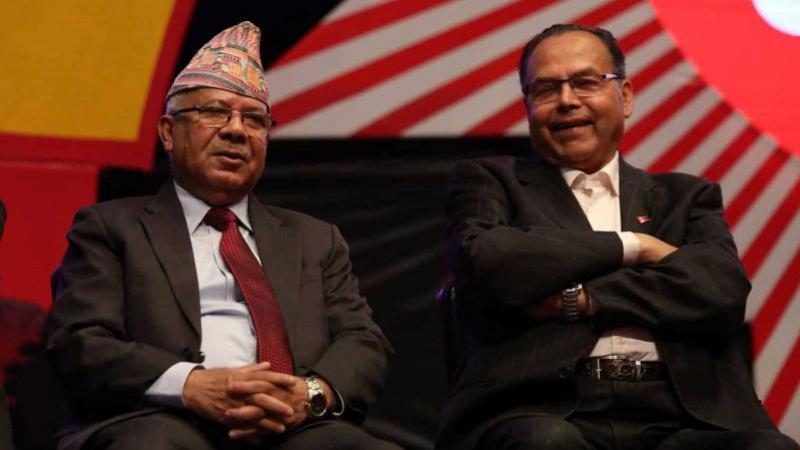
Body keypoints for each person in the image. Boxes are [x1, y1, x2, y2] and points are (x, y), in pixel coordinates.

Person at [439, 24, 799, 450]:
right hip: (544, 408)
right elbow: (489, 260)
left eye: (585, 82)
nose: (567, 100)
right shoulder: (492, 181)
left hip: (679, 414)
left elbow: (721, 290)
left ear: (625, 96)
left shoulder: (684, 197)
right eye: (546, 89)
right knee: (547, 442)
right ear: (528, 105)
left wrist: (582, 299)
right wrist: (636, 247)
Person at [47, 22, 400, 450]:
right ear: (168, 131)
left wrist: (308, 394)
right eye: (215, 111)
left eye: (254, 119)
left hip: (290, 425)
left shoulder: (314, 239)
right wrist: (191, 385)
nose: (236, 130)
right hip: (160, 417)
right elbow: (81, 340)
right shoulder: (110, 228)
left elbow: (363, 341)